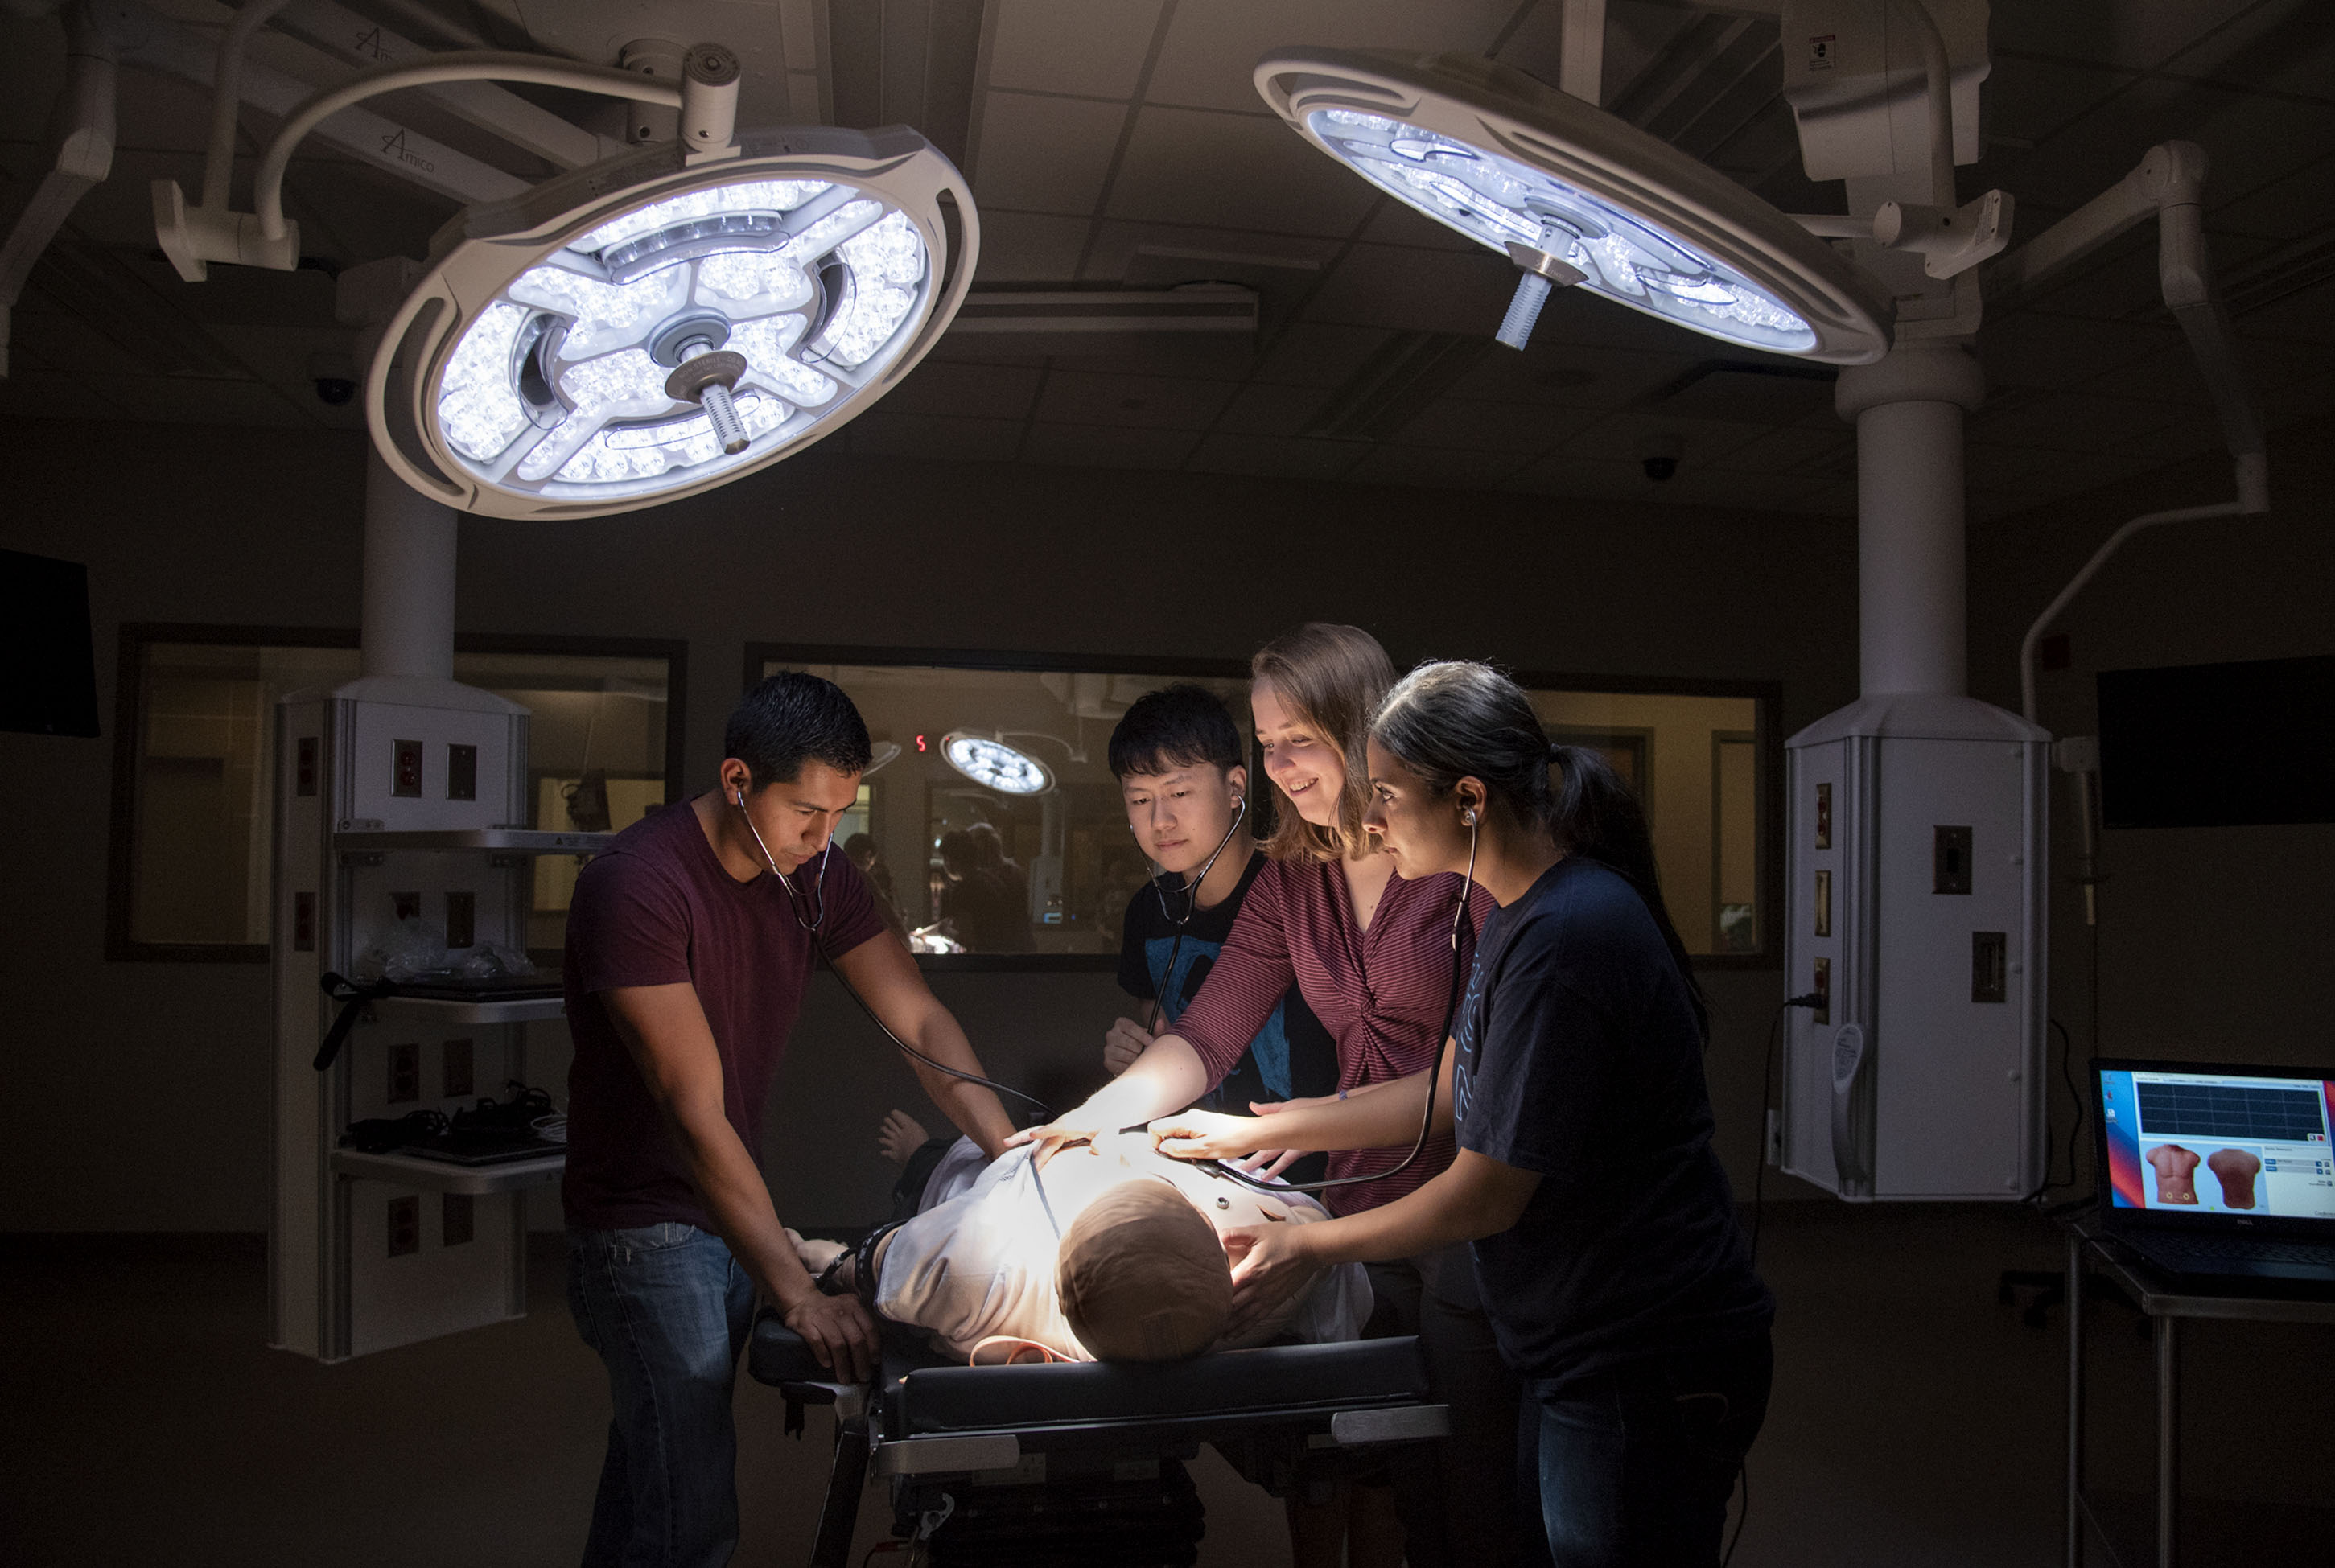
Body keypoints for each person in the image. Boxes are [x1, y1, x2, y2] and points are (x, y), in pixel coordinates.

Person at [1149, 661, 1775, 1568]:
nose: (1368, 820)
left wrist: (1305, 1243)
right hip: (1578, 1338)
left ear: (1471, 800)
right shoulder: (1521, 917)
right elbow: (1461, 1088)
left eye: (1389, 796)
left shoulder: (1566, 938)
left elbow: (1484, 1192)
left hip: (1646, 1350)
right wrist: (1257, 1129)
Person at [1017, 625, 1526, 1568]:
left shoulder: (1453, 866)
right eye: (1267, 741)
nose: (1281, 764)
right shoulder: (1292, 878)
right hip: (1361, 1191)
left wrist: (1274, 1124)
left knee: (1471, 1487)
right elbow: (1206, 1033)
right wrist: (1097, 1114)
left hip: (1472, 1204)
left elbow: (1468, 1091)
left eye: (1300, 739)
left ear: (1361, 725)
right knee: (1379, 1458)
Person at [561, 672, 1019, 1568]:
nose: (824, 838)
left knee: (652, 1470)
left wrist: (1009, 1149)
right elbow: (693, 1111)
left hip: (724, 1209)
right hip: (642, 1224)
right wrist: (796, 1289)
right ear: (738, 780)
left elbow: (918, 1021)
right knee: (689, 1518)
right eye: (806, 812)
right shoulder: (636, 885)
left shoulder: (814, 872)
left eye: (840, 813)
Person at [792, 1116, 1370, 1363]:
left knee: (948, 1170)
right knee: (976, 1155)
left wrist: (837, 1263)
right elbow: (1331, 1261)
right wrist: (1309, 1231)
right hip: (1034, 1162)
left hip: (1005, 1175)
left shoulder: (981, 1268)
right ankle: (924, 1154)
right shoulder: (1271, 1248)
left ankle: (921, 1156)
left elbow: (885, 1263)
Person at [1107, 684, 1339, 1186]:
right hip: (1202, 1168)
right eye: (1140, 799)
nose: (1160, 820)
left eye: (1179, 793)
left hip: (1314, 1170)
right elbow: (1161, 1026)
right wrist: (1136, 1053)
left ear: (1236, 785)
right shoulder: (1147, 911)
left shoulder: (1292, 888)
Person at [842, 831, 908, 942]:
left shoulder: (833, 875)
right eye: (872, 862)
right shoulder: (861, 877)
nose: (871, 866)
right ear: (868, 856)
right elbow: (885, 911)